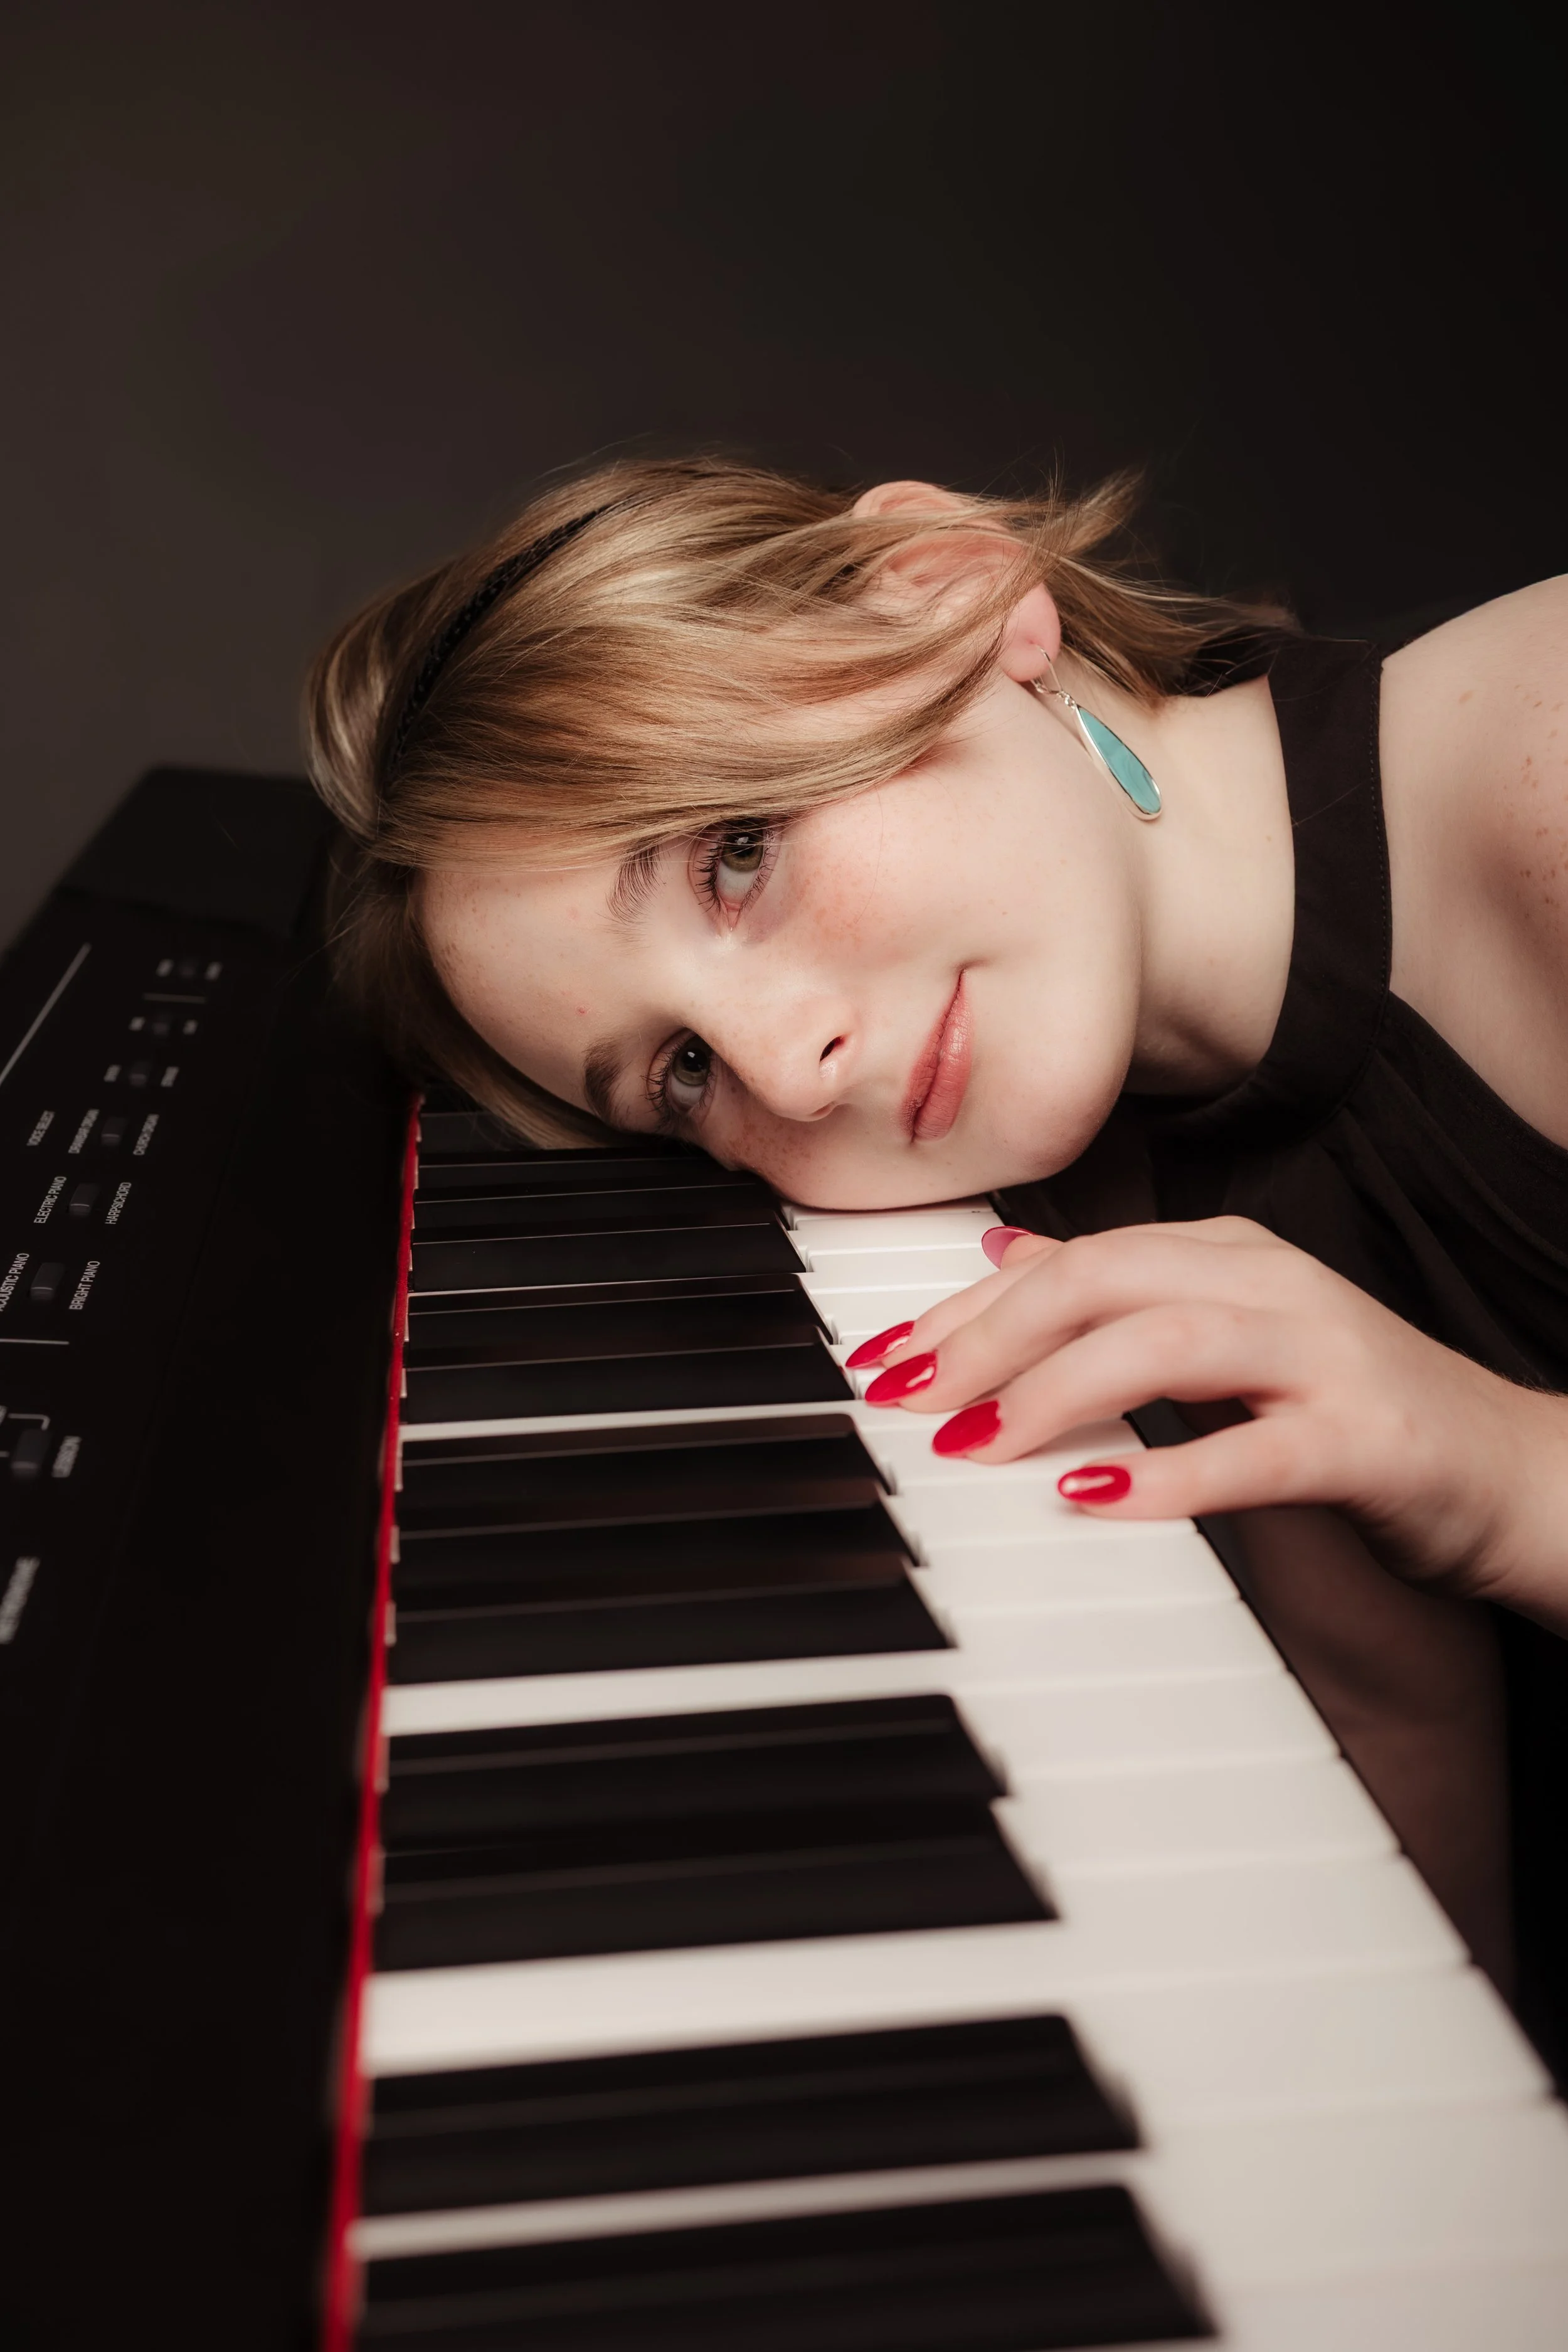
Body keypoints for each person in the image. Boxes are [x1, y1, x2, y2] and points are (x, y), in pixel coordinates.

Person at [306, 455, 1568, 2058]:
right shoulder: (1100, 1187)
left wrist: (1504, 1476)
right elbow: (1407, 1763)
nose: (788, 1066)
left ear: (947, 587)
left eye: (735, 851)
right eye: (678, 1074)